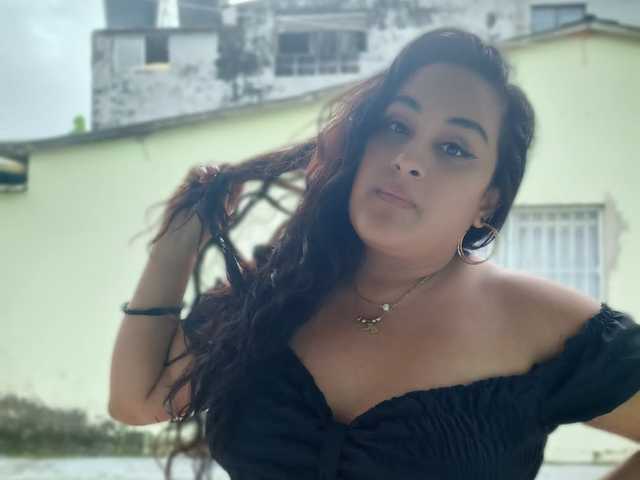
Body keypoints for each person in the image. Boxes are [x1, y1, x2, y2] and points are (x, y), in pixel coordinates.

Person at [108, 27, 640, 480]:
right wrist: (174, 247)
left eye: (453, 147)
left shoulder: (538, 322)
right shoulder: (270, 296)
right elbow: (136, 400)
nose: (408, 158)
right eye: (396, 126)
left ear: (488, 200)